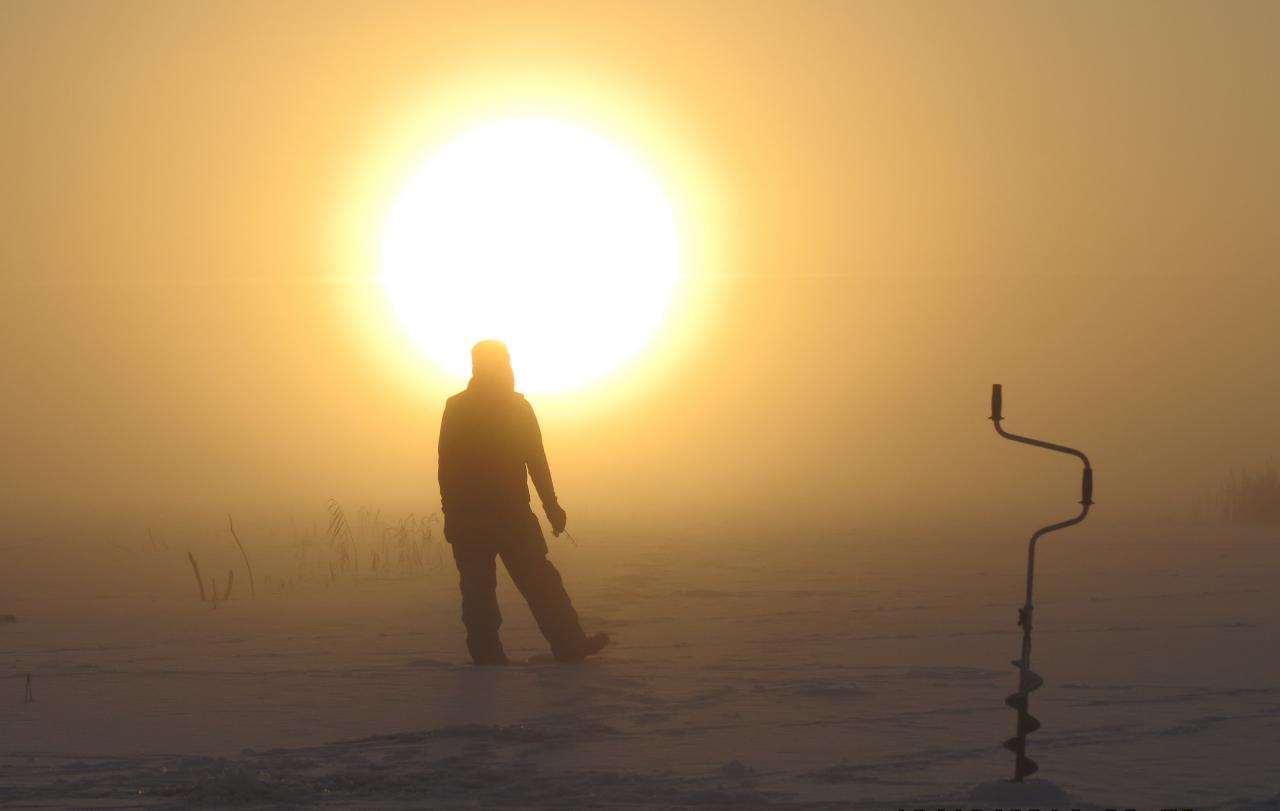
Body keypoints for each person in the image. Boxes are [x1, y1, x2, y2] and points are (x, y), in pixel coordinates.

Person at [438, 340, 609, 665]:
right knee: (492, 589)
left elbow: (535, 461)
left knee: (508, 586)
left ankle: (561, 646)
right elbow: (448, 467)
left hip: (497, 516)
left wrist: (551, 507)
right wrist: (551, 507)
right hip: (491, 517)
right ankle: (510, 653)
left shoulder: (487, 407)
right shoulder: (477, 408)